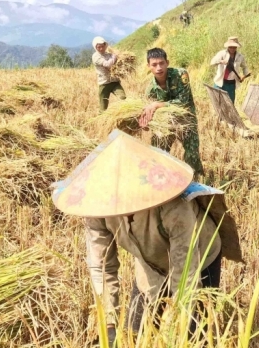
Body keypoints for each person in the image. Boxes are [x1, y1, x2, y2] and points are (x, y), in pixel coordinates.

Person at [51, 130, 243, 345]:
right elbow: (102, 266)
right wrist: (109, 323)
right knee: (136, 332)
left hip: (199, 257)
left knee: (195, 332)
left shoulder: (174, 206)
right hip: (149, 262)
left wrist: (181, 324)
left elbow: (185, 267)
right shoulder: (96, 206)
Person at [139, 48, 204, 175]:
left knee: (192, 155)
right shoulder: (151, 89)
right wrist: (146, 123)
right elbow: (149, 112)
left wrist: (158, 105)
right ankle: (163, 181)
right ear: (148, 66)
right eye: (154, 64)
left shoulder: (180, 75)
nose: (159, 68)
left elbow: (182, 102)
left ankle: (196, 182)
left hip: (186, 121)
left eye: (161, 63)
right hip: (165, 124)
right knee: (158, 154)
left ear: (167, 62)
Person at [210, 37, 250, 103]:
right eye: (230, 47)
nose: (232, 48)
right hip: (220, 83)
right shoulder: (222, 54)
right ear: (228, 46)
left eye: (234, 47)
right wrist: (221, 61)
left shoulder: (240, 56)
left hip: (231, 85)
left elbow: (245, 67)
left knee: (230, 104)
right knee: (218, 103)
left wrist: (244, 76)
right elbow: (212, 62)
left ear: (236, 47)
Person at [91, 36, 126, 112]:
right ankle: (101, 121)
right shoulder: (95, 56)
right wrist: (114, 57)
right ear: (95, 47)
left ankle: (121, 113)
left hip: (114, 82)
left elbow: (117, 63)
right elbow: (107, 64)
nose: (101, 49)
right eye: (98, 47)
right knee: (103, 108)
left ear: (105, 45)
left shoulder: (108, 54)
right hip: (104, 83)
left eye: (102, 46)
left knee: (123, 98)